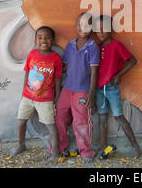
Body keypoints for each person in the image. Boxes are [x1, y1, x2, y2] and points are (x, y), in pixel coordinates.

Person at [94, 15, 142, 158]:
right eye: (98, 29)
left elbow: (133, 61)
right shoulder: (95, 47)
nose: (101, 32)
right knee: (102, 118)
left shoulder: (116, 45)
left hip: (111, 88)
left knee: (119, 116)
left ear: (111, 30)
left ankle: (135, 146)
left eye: (104, 29)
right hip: (98, 89)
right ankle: (103, 147)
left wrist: (119, 74)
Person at [55, 13, 100, 163]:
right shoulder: (70, 45)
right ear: (76, 27)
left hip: (83, 90)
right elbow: (66, 66)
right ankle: (60, 147)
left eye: (88, 25)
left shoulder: (93, 47)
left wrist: (91, 93)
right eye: (81, 25)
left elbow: (94, 71)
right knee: (59, 116)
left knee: (81, 121)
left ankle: (86, 151)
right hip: (67, 89)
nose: (84, 28)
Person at [13, 26, 62, 160]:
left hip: (46, 99)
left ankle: (55, 152)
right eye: (40, 38)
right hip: (28, 97)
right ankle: (20, 144)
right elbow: (27, 73)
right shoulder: (32, 54)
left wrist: (57, 97)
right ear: (35, 41)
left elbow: (58, 79)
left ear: (52, 40)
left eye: (47, 37)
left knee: (51, 126)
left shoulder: (56, 58)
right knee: (21, 121)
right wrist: (23, 92)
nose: (43, 40)